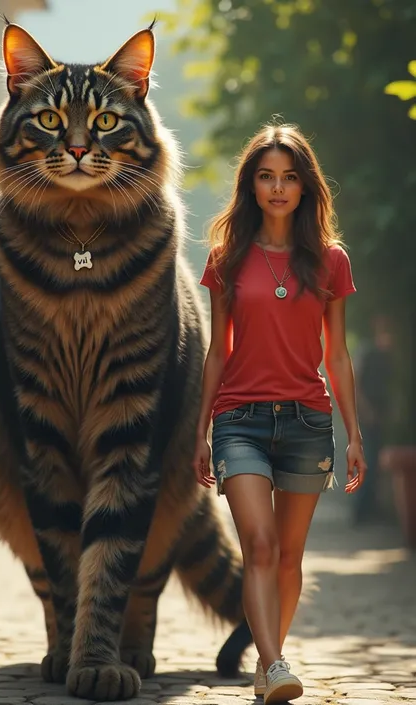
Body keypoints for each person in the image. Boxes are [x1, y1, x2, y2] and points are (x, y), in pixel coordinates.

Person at [193, 123, 367, 704]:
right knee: (260, 546)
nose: (277, 188)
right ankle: (275, 661)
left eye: (289, 177)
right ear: (251, 186)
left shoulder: (330, 261)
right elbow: (219, 350)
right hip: (239, 419)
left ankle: (270, 668)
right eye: (266, 176)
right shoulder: (227, 258)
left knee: (290, 556)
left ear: (305, 187)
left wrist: (356, 433)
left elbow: (336, 355)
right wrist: (200, 431)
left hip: (308, 421)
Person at [353, 314, 393, 524]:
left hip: (382, 415)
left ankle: (371, 510)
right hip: (367, 416)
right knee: (367, 460)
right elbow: (356, 384)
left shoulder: (388, 354)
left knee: (377, 463)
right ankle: (360, 512)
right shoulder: (367, 351)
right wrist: (366, 411)